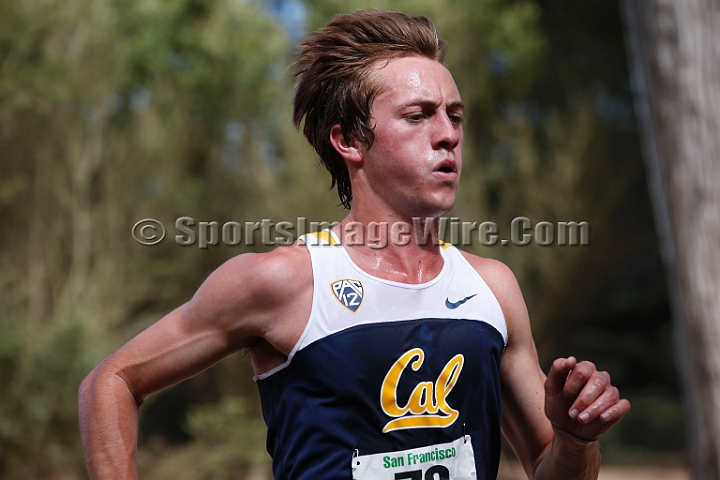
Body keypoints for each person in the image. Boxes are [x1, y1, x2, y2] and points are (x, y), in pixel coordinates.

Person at [79, 9, 630, 480]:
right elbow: (112, 382)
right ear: (347, 140)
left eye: (454, 116)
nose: (448, 135)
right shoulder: (287, 281)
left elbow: (550, 468)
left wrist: (575, 440)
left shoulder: (491, 288)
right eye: (418, 116)